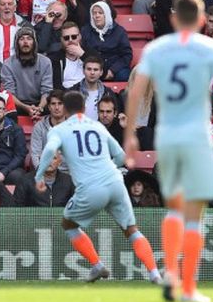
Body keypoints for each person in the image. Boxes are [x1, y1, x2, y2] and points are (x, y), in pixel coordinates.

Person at [124, 0, 213, 302]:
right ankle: (189, 287)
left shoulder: (155, 49)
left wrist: (129, 132)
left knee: (174, 208)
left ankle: (170, 271)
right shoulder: (211, 48)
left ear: (171, 18)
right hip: (196, 135)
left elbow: (136, 90)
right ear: (201, 21)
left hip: (167, 136)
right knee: (194, 216)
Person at [35, 91, 161, 284]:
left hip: (91, 187)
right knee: (131, 229)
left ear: (65, 110)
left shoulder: (59, 129)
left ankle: (97, 265)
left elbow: (51, 149)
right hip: (115, 181)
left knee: (68, 224)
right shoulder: (98, 127)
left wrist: (38, 176)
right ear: (85, 108)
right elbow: (120, 156)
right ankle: (155, 274)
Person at [0, 26, 53, 118]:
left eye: (29, 39)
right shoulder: (8, 64)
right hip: (18, 104)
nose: (25, 42)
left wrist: (40, 107)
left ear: (34, 43)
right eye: (21, 39)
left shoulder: (45, 62)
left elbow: (47, 91)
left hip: (41, 103)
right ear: (17, 43)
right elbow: (9, 93)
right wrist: (26, 107)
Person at [81, 2, 132, 81]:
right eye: (94, 13)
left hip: (115, 68)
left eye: (100, 13)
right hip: (93, 67)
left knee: (124, 75)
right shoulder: (85, 31)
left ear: (107, 15)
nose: (97, 16)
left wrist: (112, 70)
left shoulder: (119, 31)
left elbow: (127, 55)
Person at [49, 21, 99, 90]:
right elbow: (56, 86)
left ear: (80, 37)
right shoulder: (55, 59)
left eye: (74, 37)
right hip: (66, 95)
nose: (70, 40)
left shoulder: (90, 53)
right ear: (61, 40)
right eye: (66, 38)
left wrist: (82, 55)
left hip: (88, 91)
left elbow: (103, 73)